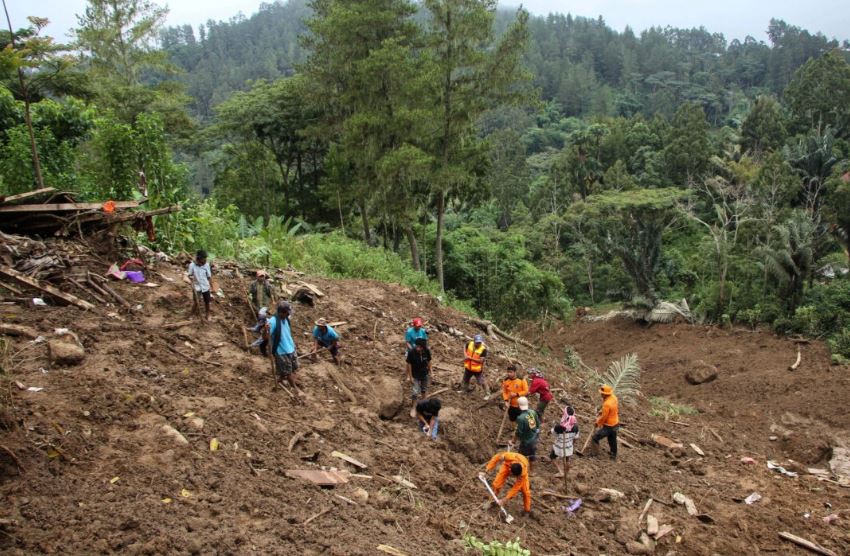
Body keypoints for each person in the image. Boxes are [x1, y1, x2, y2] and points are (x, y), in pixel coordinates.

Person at [267, 301, 302, 393]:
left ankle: (281, 379)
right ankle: (294, 388)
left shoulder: (286, 319)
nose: (288, 315)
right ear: (281, 312)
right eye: (287, 313)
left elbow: (287, 333)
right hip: (281, 351)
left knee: (293, 368)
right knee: (288, 372)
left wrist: (293, 345)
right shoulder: (273, 321)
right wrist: (265, 330)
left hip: (290, 348)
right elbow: (265, 337)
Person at [184, 250, 214, 320]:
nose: (205, 260)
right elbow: (189, 275)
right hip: (196, 287)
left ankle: (208, 314)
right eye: (204, 258)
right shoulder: (192, 265)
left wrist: (211, 286)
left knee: (207, 301)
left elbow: (209, 276)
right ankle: (191, 314)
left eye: (206, 258)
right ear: (199, 258)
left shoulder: (206, 265)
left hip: (205, 286)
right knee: (196, 302)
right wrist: (190, 279)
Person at [591, 384, 619, 460]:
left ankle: (594, 455)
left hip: (608, 426)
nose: (601, 394)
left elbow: (604, 417)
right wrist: (602, 411)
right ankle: (613, 455)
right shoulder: (614, 398)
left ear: (605, 394)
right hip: (615, 423)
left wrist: (597, 422)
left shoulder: (607, 404)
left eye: (602, 393)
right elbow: (611, 409)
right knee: (612, 439)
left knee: (595, 438)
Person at [406, 338, 432, 418]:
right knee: (415, 392)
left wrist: (431, 372)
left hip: (424, 373)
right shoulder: (411, 352)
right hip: (415, 374)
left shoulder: (427, 351)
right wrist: (410, 376)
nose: (418, 348)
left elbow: (429, 361)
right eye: (417, 346)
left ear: (423, 347)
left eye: (420, 347)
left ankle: (424, 407)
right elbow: (409, 364)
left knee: (424, 390)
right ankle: (414, 407)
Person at [550, 405, 579, 478]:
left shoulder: (559, 427)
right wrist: (572, 444)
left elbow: (554, 434)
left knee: (552, 457)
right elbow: (576, 437)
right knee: (567, 460)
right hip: (569, 446)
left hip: (559, 446)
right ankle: (566, 473)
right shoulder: (575, 426)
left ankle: (560, 471)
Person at [513, 397, 540, 466]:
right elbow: (537, 424)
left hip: (526, 440)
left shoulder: (521, 418)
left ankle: (520, 470)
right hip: (534, 437)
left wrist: (514, 440)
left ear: (519, 406)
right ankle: (532, 471)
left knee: (520, 455)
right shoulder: (532, 412)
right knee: (532, 454)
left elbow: (519, 432)